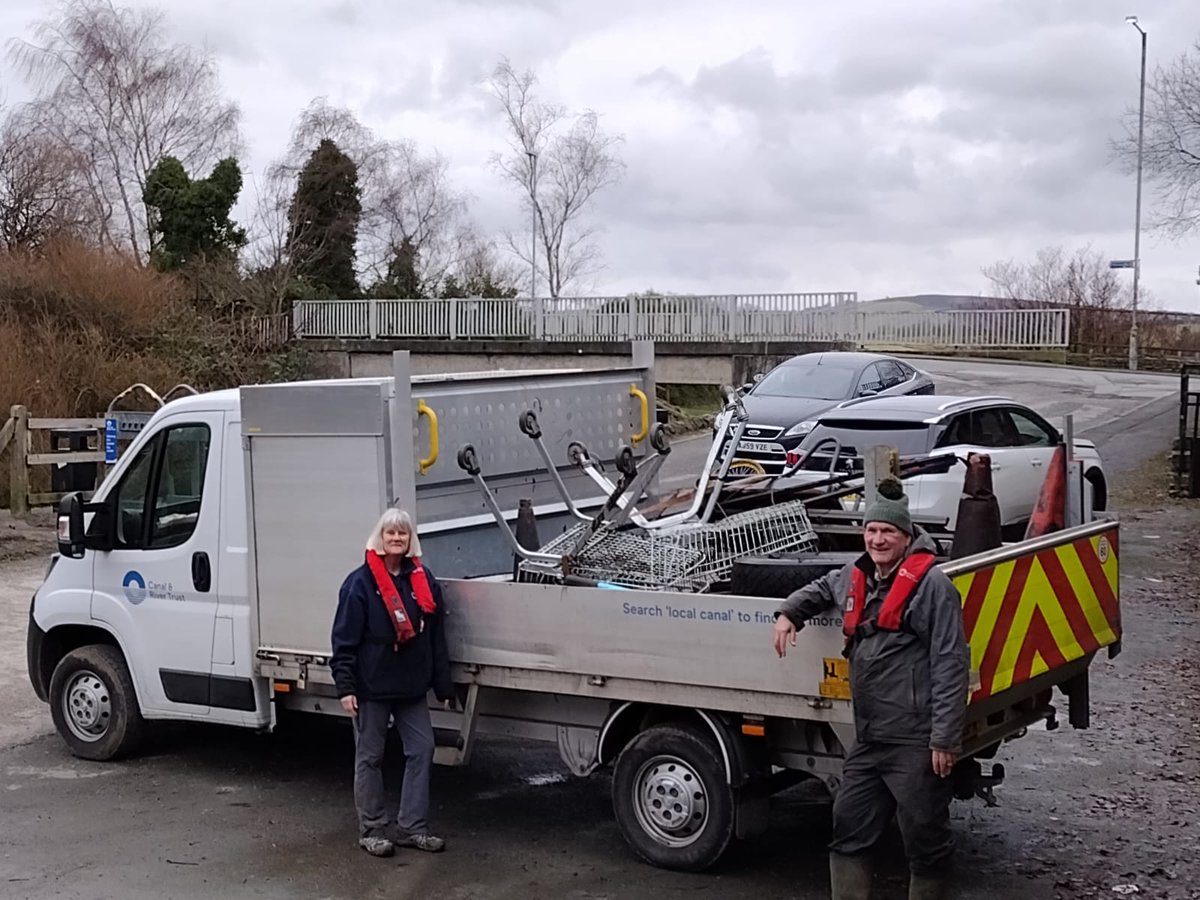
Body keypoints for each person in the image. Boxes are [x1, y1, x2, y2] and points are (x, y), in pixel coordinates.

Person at [771, 477, 969, 900]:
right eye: (872, 531)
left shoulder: (933, 587)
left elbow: (951, 663)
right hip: (870, 737)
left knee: (924, 838)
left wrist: (945, 738)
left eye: (888, 532)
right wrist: (789, 613)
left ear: (906, 536)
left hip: (915, 740)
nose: (878, 539)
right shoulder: (856, 574)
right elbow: (822, 588)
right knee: (848, 825)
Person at [331, 507, 454, 858]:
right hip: (371, 685)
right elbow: (344, 640)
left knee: (422, 748)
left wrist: (442, 685)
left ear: (410, 539)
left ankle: (411, 827)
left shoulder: (423, 579)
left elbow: (435, 637)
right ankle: (372, 830)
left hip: (410, 684)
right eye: (390, 533)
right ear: (380, 538)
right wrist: (346, 687)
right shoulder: (359, 584)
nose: (396, 538)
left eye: (402, 533)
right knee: (369, 757)